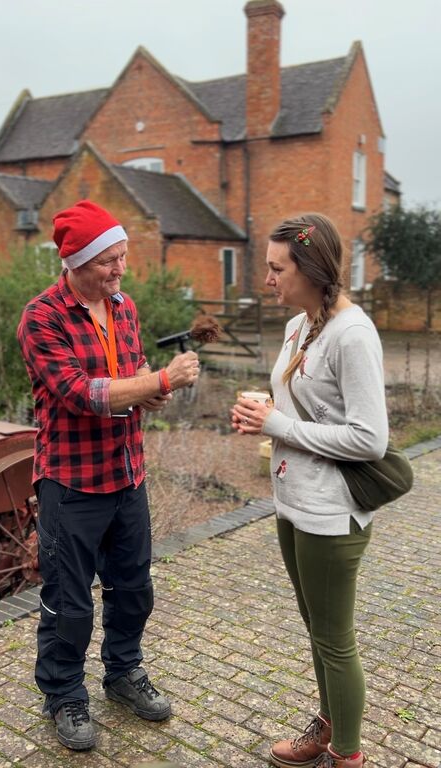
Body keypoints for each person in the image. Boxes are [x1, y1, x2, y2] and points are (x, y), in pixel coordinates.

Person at [17, 200, 200, 751]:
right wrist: (160, 381)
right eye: (107, 261)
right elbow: (81, 394)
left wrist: (152, 389)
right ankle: (64, 694)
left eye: (122, 257)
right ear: (76, 261)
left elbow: (131, 376)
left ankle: (123, 673)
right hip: (72, 482)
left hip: (127, 474)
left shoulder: (122, 306)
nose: (119, 269)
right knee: (69, 601)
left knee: (134, 589)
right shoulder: (41, 317)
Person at [231, 213, 388, 768]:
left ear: (311, 268)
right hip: (293, 503)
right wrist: (265, 411)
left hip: (331, 513)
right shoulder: (303, 324)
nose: (267, 279)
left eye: (277, 268)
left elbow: (370, 438)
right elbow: (305, 409)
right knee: (317, 631)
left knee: (335, 639)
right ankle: (327, 729)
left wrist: (278, 426)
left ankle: (348, 755)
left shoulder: (352, 332)